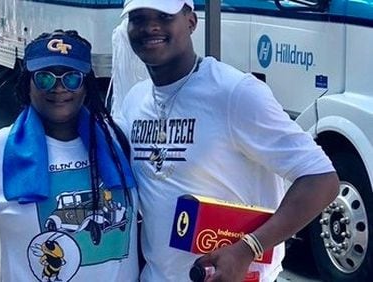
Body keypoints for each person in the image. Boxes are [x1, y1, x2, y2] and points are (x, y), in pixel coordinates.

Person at [113, 1, 340, 281]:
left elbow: (321, 179)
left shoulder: (234, 93)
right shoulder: (135, 100)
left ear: (191, 21)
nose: (150, 27)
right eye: (138, 18)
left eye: (163, 16)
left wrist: (247, 249)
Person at [0, 30, 139, 281]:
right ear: (27, 85)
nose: (59, 88)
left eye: (72, 78)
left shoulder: (119, 140)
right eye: (45, 78)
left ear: (87, 86)